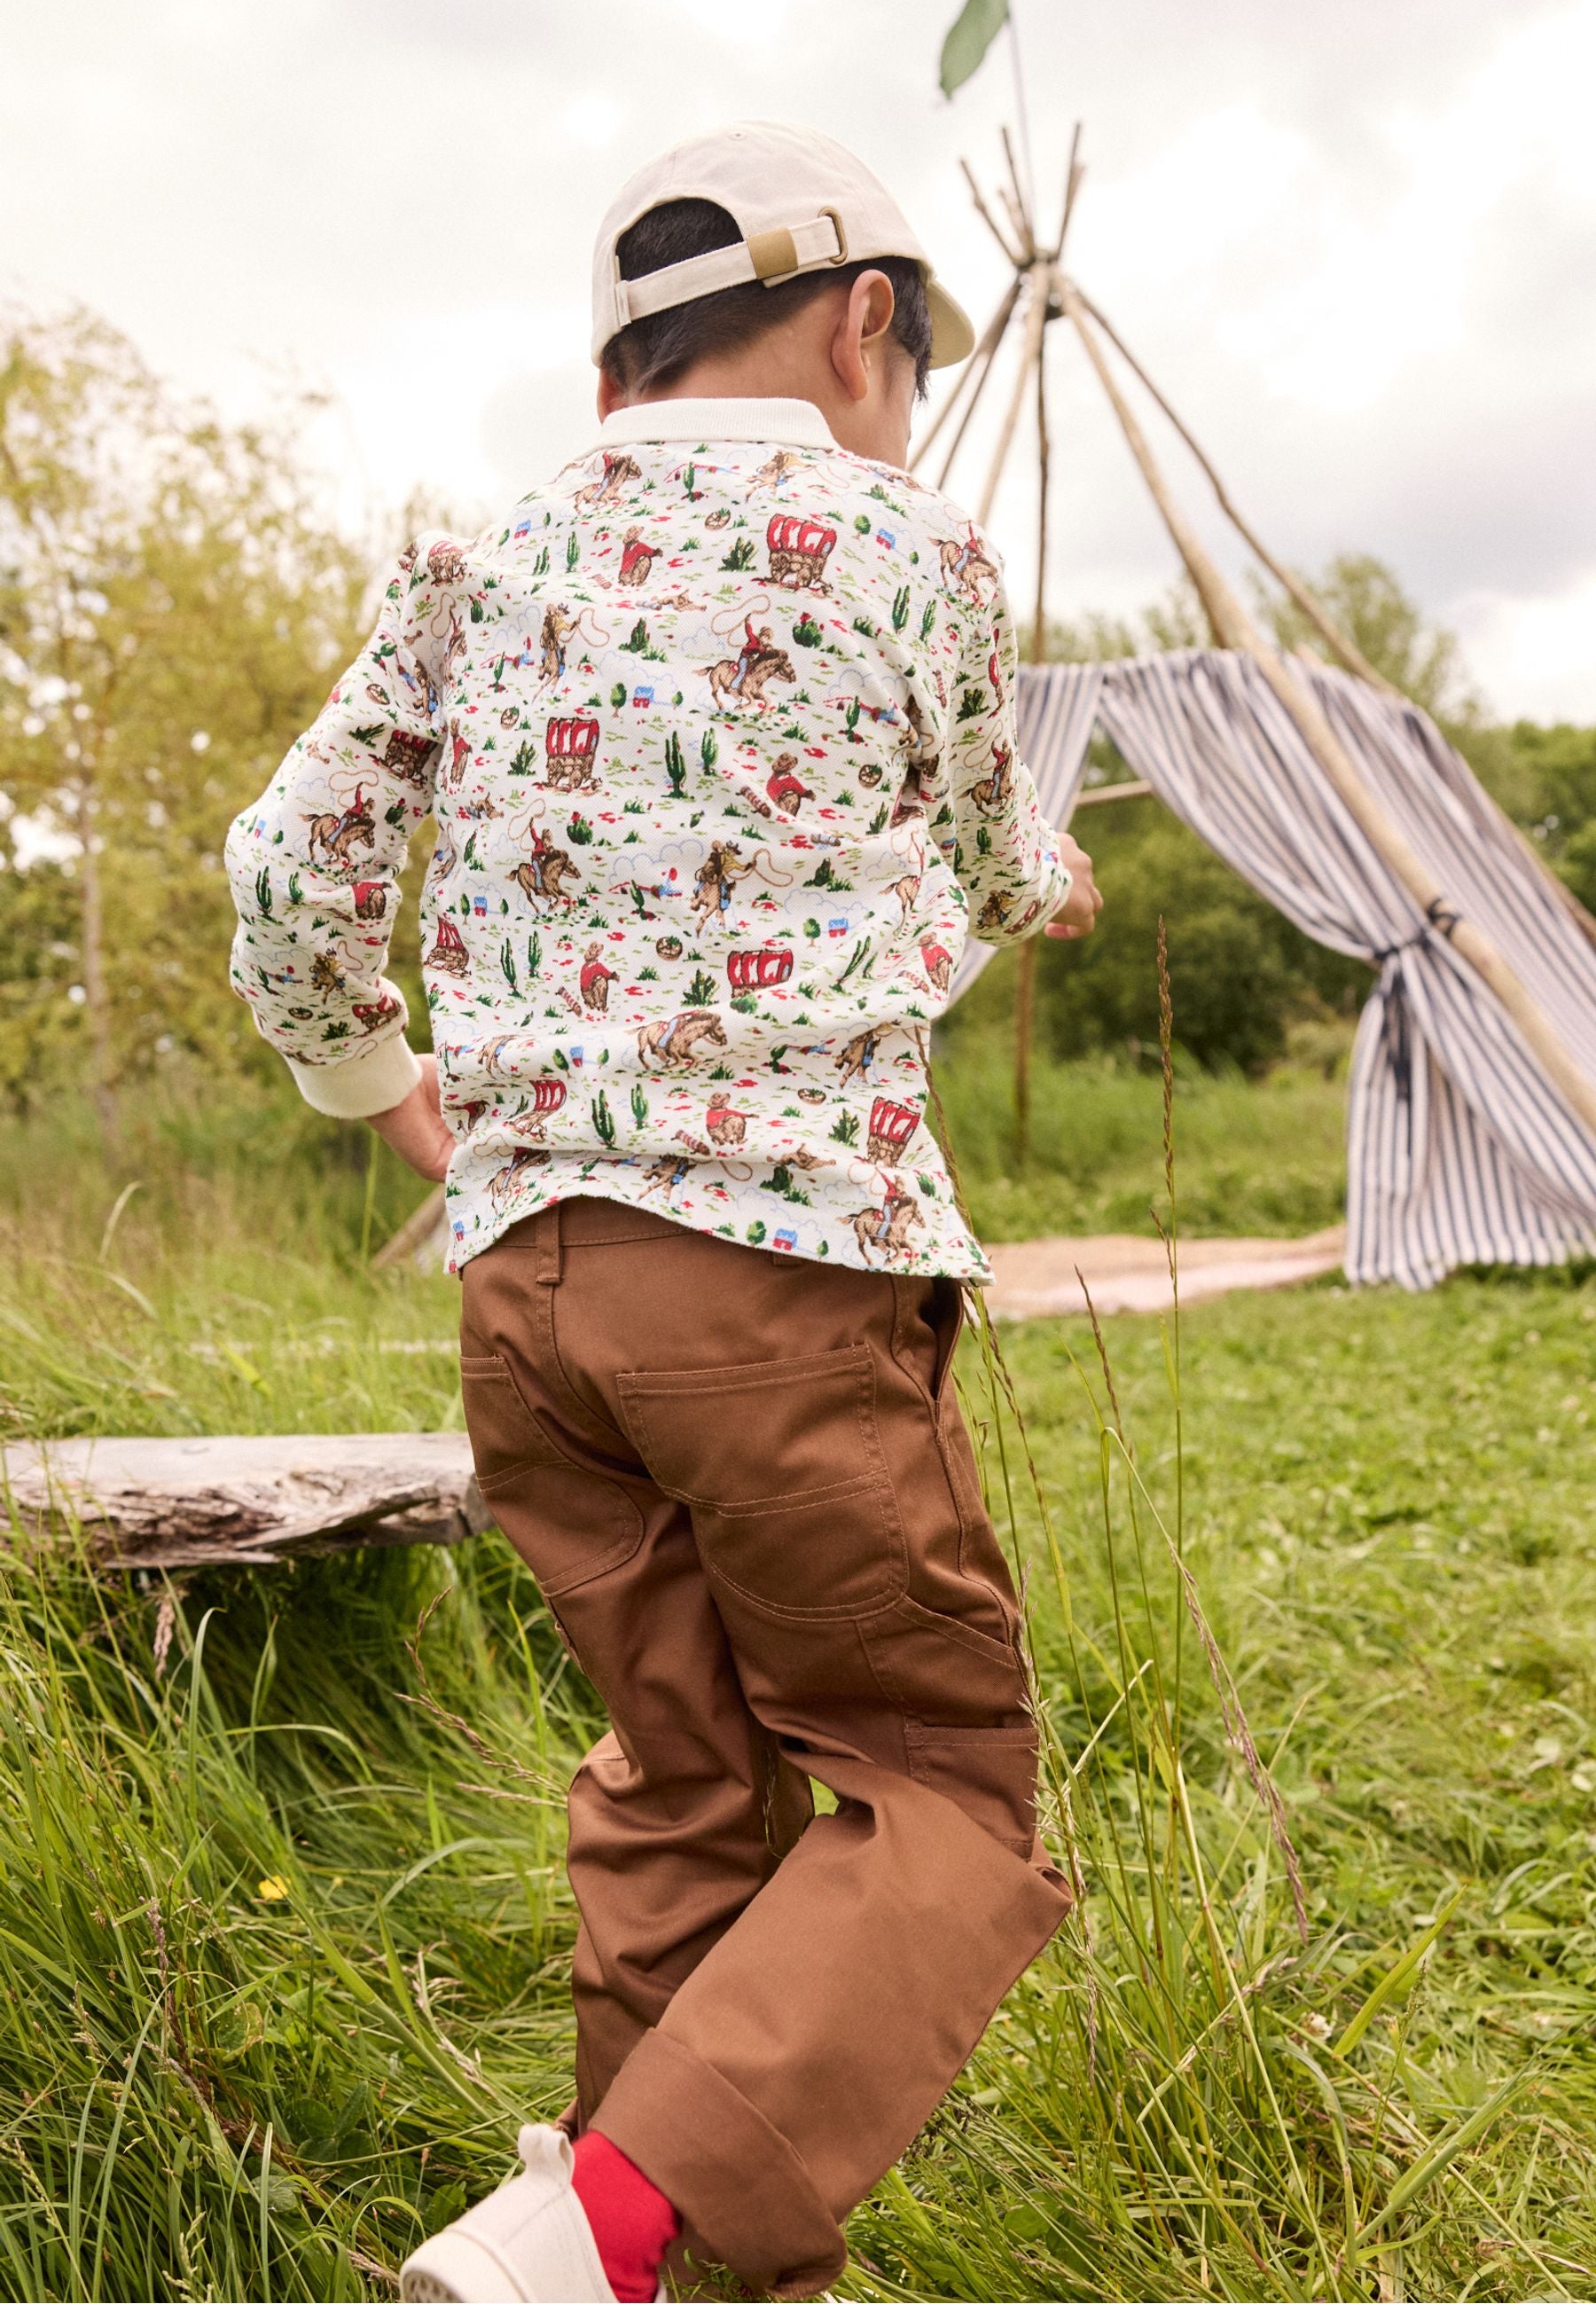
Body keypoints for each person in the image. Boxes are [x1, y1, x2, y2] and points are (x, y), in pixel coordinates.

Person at [225, 119, 1101, 2304]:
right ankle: (619, 2217)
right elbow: (982, 861)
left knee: (682, 1778)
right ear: (866, 322)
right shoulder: (904, 543)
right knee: (938, 1790)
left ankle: (620, 2265)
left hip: (526, 1286)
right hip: (779, 1278)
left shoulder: (482, 554)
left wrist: (392, 1093)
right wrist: (1036, 883)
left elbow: (281, 877)